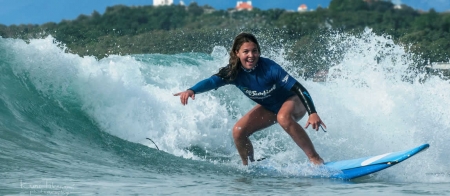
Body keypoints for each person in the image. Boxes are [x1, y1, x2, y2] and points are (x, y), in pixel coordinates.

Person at [174, 32, 326, 166]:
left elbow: (299, 89)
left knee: (283, 117)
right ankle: (250, 167)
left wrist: (312, 112)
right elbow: (212, 81)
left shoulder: (269, 68)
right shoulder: (233, 72)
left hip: (294, 101)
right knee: (238, 131)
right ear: (237, 53)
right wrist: (191, 90)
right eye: (245, 51)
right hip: (270, 107)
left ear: (259, 52)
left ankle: (315, 159)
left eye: (254, 51)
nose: (251, 55)